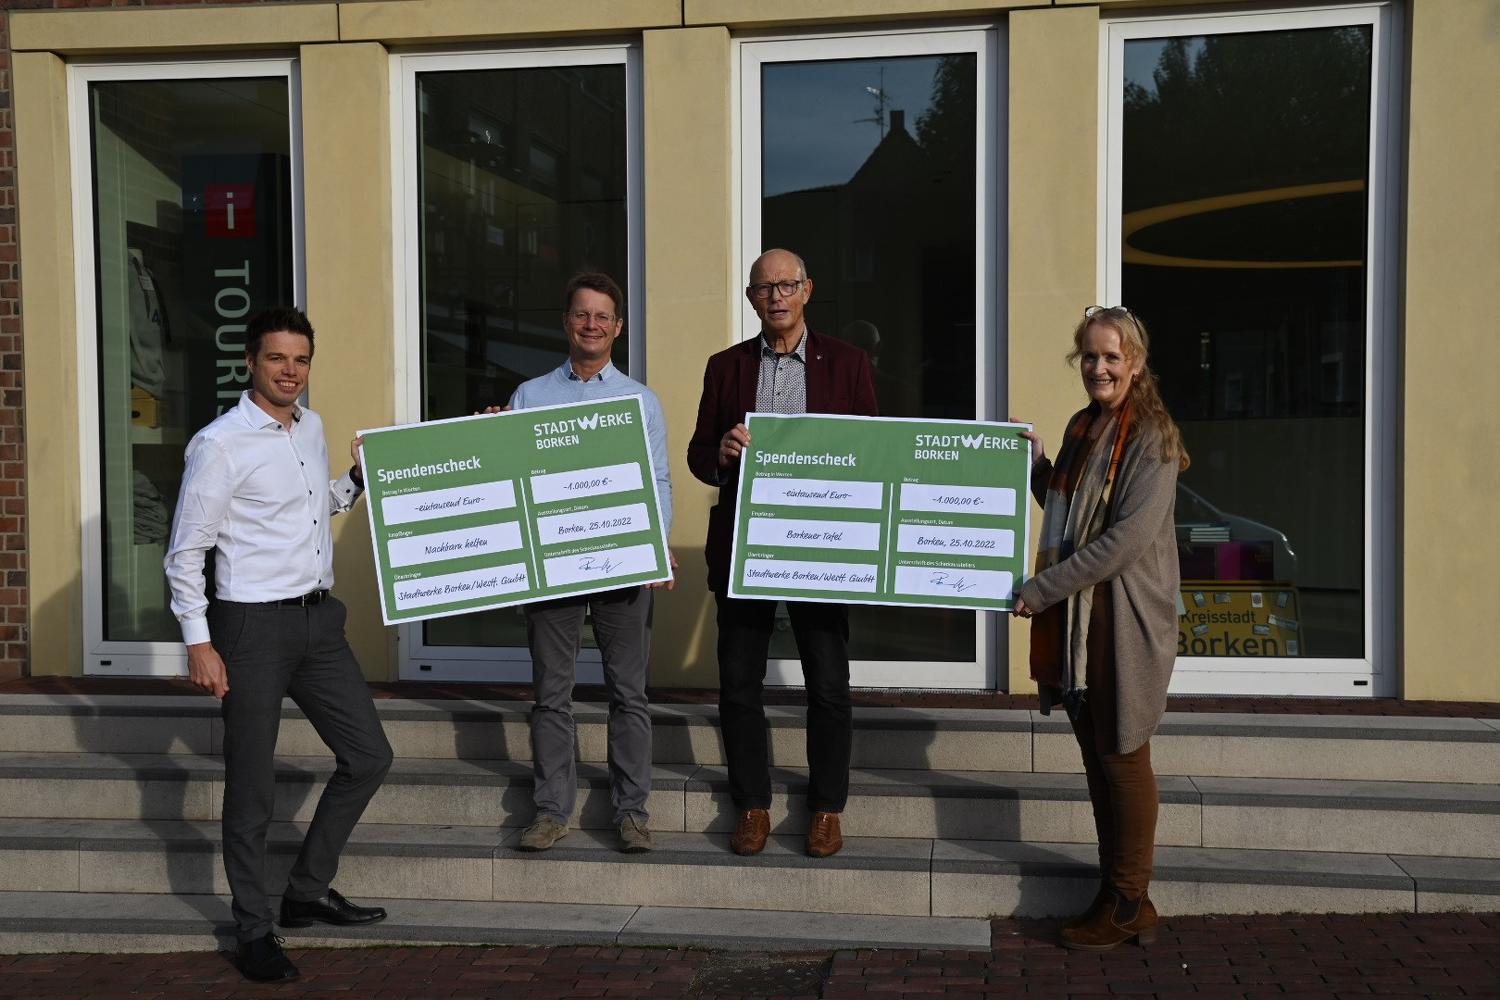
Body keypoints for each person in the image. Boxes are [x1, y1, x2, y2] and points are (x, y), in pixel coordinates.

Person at [164, 307, 394, 983]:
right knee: (253, 784)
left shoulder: (311, 428)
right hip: (250, 628)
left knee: (369, 756)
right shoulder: (220, 445)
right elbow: (186, 553)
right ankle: (253, 929)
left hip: (319, 623)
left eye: (300, 359)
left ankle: (306, 890)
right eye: (276, 358)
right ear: (250, 363)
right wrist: (199, 643)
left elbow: (315, 506)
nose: (290, 371)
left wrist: (357, 479)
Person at [687, 249, 877, 859]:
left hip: (821, 547)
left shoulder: (847, 363)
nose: (776, 296)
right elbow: (697, 455)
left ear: (807, 290)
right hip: (747, 546)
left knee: (828, 683)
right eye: (765, 287)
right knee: (739, 683)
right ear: (751, 297)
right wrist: (721, 451)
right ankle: (752, 805)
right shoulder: (725, 367)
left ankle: (826, 808)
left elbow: (873, 451)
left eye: (787, 285)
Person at [1011, 305, 1189, 951]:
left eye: (1112, 356)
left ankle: (1127, 899)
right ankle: (1119, 894)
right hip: (1084, 621)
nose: (1099, 367)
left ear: (1135, 363)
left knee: (1123, 757)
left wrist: (1040, 590)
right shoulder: (1085, 426)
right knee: (1097, 759)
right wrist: (1035, 465)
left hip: (1124, 618)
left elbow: (1122, 542)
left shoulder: (1152, 437)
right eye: (1090, 355)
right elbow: (1068, 513)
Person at [502, 272, 675, 855]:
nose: (591, 325)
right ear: (566, 322)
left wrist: (655, 545)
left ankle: (632, 813)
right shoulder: (530, 396)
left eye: (602, 316)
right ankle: (551, 811)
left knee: (629, 694)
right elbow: (511, 473)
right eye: (582, 314)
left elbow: (657, 479)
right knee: (551, 694)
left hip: (623, 566)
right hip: (552, 567)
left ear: (617, 327)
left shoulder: (640, 401)